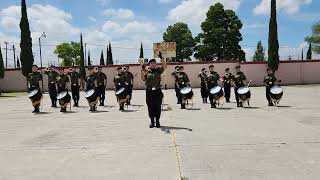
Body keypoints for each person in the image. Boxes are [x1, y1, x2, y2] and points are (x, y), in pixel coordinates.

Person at [141, 53, 167, 128]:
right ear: (149, 65)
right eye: (151, 63)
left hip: (157, 91)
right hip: (149, 91)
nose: (153, 64)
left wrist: (161, 58)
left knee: (158, 107)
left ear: (155, 64)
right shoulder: (146, 71)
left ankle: (158, 121)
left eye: (154, 63)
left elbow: (165, 66)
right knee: (150, 107)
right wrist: (142, 70)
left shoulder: (158, 70)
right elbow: (143, 79)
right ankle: (152, 121)